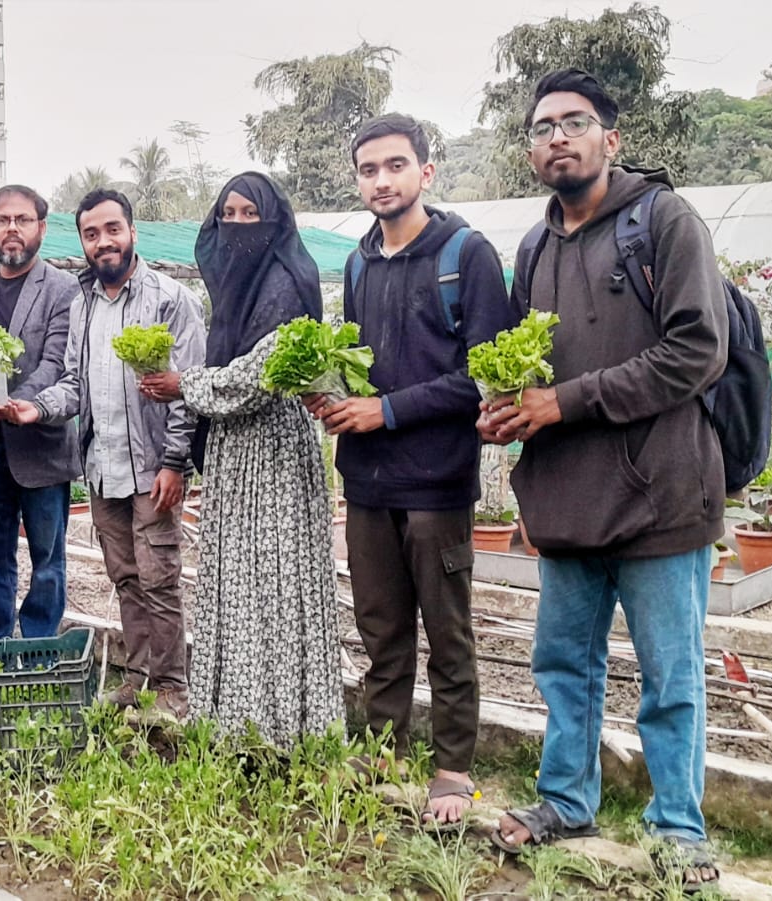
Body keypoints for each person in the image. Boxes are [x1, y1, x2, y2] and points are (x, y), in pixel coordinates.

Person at [480, 70, 726, 890]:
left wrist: (564, 401)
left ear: (610, 139)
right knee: (564, 664)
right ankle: (565, 799)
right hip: (568, 498)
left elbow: (697, 352)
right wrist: (510, 408)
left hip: (659, 492)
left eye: (575, 122)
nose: (557, 136)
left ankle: (679, 830)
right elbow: (532, 368)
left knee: (670, 675)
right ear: (530, 150)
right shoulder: (535, 247)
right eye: (543, 126)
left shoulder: (663, 221)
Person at [306, 116, 516, 823]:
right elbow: (365, 365)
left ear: (426, 172)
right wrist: (332, 394)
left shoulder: (465, 255)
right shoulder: (361, 260)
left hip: (435, 482)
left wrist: (386, 411)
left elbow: (482, 378)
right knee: (380, 628)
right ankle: (386, 746)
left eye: (396, 165)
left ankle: (453, 767)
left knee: (447, 631)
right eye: (368, 169)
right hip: (367, 481)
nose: (381, 180)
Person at [138, 172, 344, 748]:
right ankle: (235, 721)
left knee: (275, 586)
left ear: (274, 221)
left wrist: (185, 384)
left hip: (273, 454)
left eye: (251, 214)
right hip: (234, 455)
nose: (237, 226)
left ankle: (279, 727)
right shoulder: (232, 294)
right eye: (228, 213)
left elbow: (255, 382)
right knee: (236, 585)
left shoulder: (286, 282)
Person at [4, 189, 205, 722]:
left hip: (151, 467)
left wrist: (174, 462)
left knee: (160, 576)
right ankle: (139, 677)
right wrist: (36, 407)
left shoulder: (168, 299)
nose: (103, 242)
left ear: (132, 232)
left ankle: (173, 688)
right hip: (101, 464)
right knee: (125, 576)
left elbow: (187, 389)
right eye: (92, 234)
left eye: (112, 230)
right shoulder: (83, 303)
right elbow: (74, 384)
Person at [0, 185, 82, 640]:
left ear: (41, 228)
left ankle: (40, 643)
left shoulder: (65, 287)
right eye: (2, 220)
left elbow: (55, 362)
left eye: (22, 220)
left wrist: (10, 405)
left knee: (48, 556)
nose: (12, 228)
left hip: (40, 446)